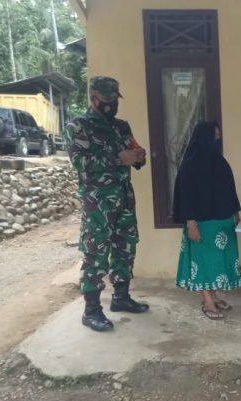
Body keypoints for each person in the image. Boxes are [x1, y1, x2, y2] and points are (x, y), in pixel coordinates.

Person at [65, 76, 150, 332]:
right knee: (96, 253)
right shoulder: (78, 126)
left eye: (115, 99)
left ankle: (121, 297)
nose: (112, 104)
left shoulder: (121, 127)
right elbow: (80, 162)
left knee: (125, 248)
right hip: (98, 204)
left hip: (124, 199)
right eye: (107, 100)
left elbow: (133, 151)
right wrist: (117, 157)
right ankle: (91, 311)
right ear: (93, 98)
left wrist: (138, 156)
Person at [173, 121, 241, 320]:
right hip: (202, 225)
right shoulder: (190, 165)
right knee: (203, 262)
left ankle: (213, 296)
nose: (217, 140)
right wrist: (191, 223)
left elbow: (230, 190)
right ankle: (207, 302)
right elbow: (186, 196)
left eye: (218, 137)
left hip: (222, 223)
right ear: (204, 138)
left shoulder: (220, 162)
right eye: (215, 137)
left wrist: (236, 213)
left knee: (217, 263)